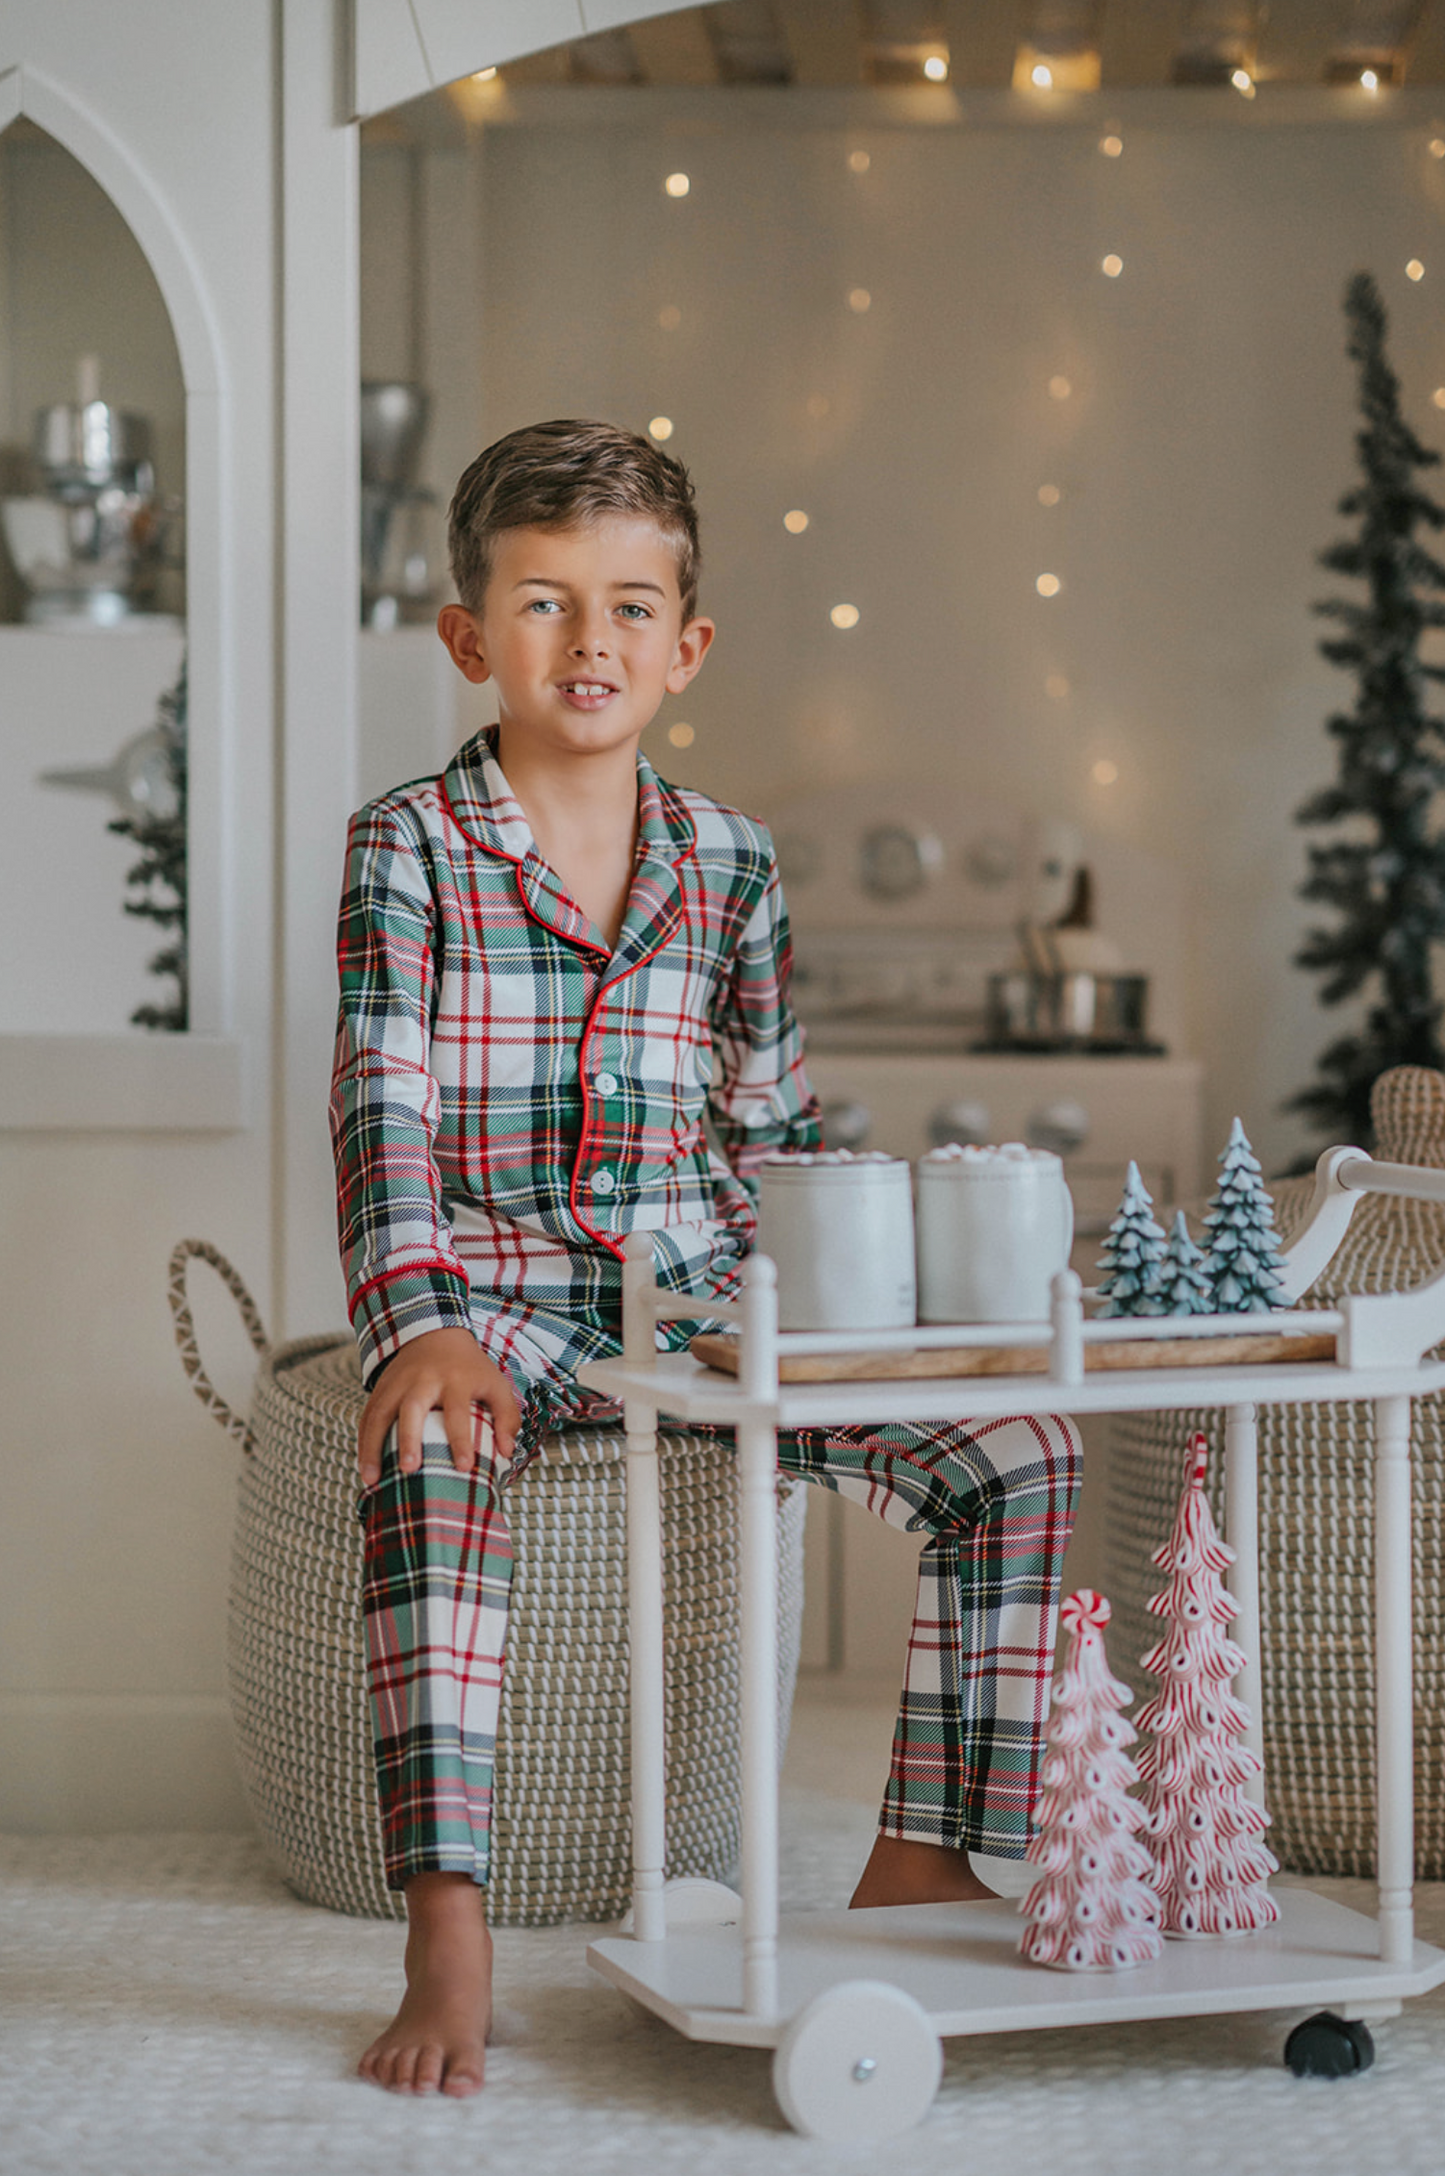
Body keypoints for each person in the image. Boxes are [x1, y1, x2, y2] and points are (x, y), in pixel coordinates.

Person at [329, 418, 1080, 2099]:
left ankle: (924, 1852)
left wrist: (852, 1327)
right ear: (468, 637)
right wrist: (412, 1325)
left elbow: (776, 1126)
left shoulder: (731, 863)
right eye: (540, 603)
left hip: (708, 1292)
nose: (587, 643)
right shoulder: (411, 850)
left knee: (1019, 1447)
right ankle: (448, 1917)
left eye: (626, 606)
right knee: (430, 1466)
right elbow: (379, 1111)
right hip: (500, 1296)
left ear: (688, 643)